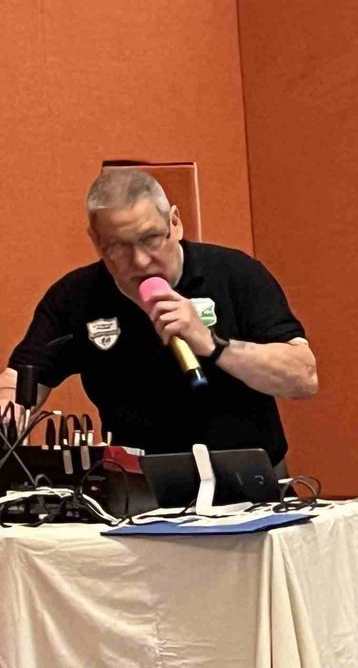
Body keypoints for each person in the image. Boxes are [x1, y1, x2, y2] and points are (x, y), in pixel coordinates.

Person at [2, 169, 316, 466]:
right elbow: (20, 381)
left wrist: (213, 344)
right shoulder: (75, 297)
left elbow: (303, 378)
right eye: (118, 246)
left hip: (248, 477)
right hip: (137, 482)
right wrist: (8, 414)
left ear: (175, 222)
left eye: (151, 238)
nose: (140, 260)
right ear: (96, 241)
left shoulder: (235, 274)